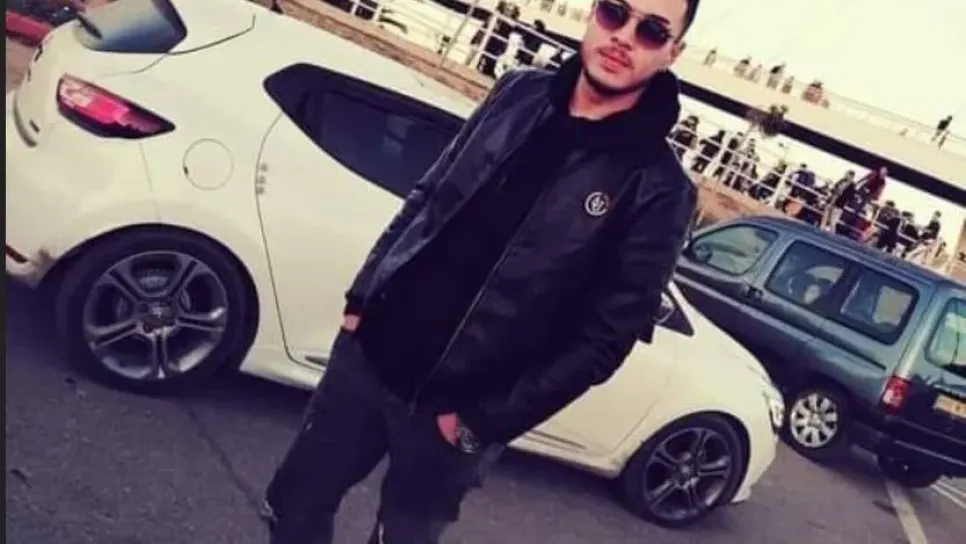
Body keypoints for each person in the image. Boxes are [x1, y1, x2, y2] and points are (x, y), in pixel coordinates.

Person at [262, 1, 702, 543]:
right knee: (292, 504)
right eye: (615, 13)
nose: (625, 37)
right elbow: (429, 196)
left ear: (673, 52)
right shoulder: (518, 93)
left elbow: (605, 341)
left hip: (457, 414)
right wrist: (362, 300)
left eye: (652, 31)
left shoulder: (660, 189)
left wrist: (483, 421)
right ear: (593, 13)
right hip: (371, 356)